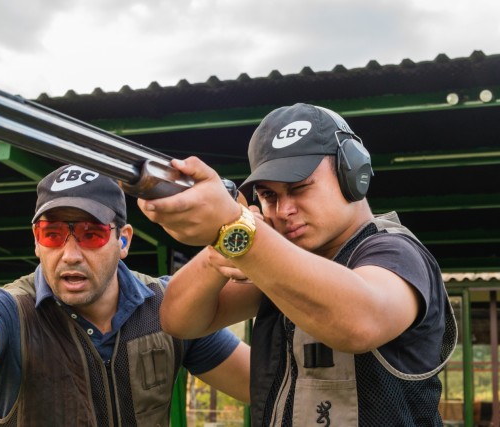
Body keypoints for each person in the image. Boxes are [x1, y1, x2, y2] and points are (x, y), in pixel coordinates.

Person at [137, 103, 457, 426]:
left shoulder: (396, 251)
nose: (283, 210)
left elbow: (360, 320)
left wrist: (241, 231)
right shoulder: (273, 257)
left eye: (299, 188)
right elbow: (178, 320)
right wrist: (221, 242)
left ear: (353, 173)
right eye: (268, 195)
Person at [0, 164, 250, 426]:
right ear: (36, 241)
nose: (71, 254)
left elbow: (260, 382)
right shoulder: (11, 310)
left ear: (122, 239)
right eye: (53, 233)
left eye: (91, 234)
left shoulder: (166, 305)